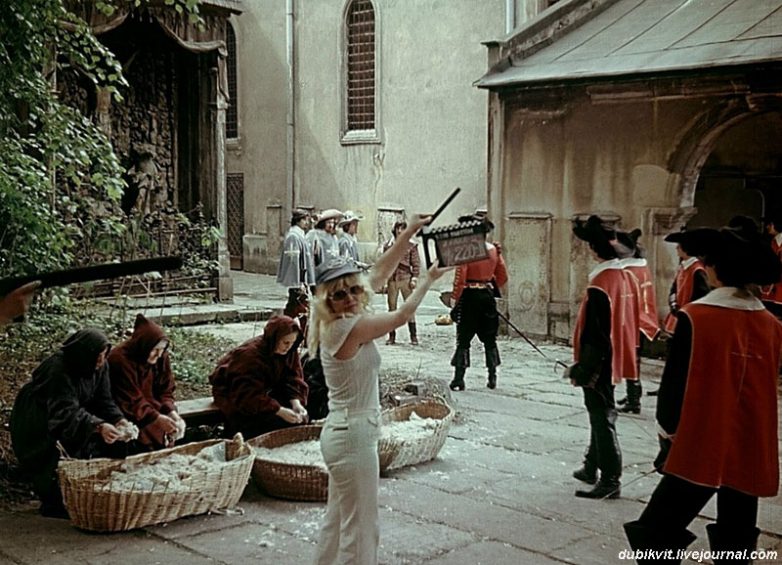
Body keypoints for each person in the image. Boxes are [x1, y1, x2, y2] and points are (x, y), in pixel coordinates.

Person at [623, 226, 782, 564]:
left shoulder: (695, 317)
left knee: (655, 534)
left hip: (700, 441)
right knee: (736, 537)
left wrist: (668, 437)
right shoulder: (772, 324)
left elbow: (674, 387)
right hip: (750, 444)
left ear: (714, 269)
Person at [309, 214, 449, 565]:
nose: (350, 297)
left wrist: (410, 232)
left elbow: (378, 274)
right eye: (339, 294)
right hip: (352, 436)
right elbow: (401, 316)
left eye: (354, 290)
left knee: (338, 523)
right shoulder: (346, 327)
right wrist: (428, 280)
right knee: (361, 530)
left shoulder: (337, 320)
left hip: (345, 432)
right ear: (327, 301)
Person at [10, 328, 132, 517]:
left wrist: (119, 420)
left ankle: (76, 495)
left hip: (72, 413)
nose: (101, 361)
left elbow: (104, 400)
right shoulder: (58, 369)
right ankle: (55, 501)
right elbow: (64, 410)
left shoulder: (100, 365)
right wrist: (98, 426)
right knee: (51, 458)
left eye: (104, 355)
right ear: (85, 354)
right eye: (98, 356)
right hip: (40, 417)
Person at [567, 215, 637, 499]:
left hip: (600, 359)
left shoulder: (600, 283)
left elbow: (595, 334)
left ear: (593, 249)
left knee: (601, 416)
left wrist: (584, 368)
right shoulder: (623, 275)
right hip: (615, 353)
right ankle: (590, 465)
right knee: (600, 412)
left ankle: (610, 479)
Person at [209, 315, 309, 440]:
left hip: (263, 390)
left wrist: (296, 403)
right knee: (254, 422)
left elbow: (293, 378)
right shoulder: (250, 356)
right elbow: (246, 395)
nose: (288, 347)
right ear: (274, 339)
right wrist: (278, 410)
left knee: (297, 418)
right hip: (233, 392)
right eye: (285, 342)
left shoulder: (289, 351)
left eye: (292, 343)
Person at [448, 214, 508, 390]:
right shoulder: (494, 250)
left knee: (463, 338)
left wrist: (454, 298)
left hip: (469, 297)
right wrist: (488, 282)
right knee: (490, 338)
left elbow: (460, 277)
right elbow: (502, 276)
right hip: (487, 297)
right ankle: (492, 376)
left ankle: (459, 379)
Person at [108, 314, 184, 451]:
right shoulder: (120, 359)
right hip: (127, 409)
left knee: (170, 426)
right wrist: (156, 418)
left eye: (162, 350)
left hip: (151, 406)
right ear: (144, 345)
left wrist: (171, 412)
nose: (158, 354)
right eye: (155, 350)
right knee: (145, 431)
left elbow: (165, 390)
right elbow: (129, 398)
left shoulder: (161, 357)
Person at [616, 230, 659, 415]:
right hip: (644, 319)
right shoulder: (642, 268)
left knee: (630, 360)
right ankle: (632, 394)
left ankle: (634, 400)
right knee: (633, 359)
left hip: (632, 321)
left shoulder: (627, 272)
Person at [380, 220, 422, 345]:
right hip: (392, 280)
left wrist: (414, 278)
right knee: (391, 308)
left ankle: (413, 336)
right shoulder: (388, 246)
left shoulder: (411, 246)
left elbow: (416, 263)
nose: (400, 231)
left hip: (406, 279)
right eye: (398, 228)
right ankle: (392, 336)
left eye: (402, 228)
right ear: (395, 230)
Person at [277, 208, 316, 315]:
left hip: (302, 278)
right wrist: (298, 282)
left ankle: (287, 321)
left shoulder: (300, 234)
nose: (306, 222)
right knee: (298, 307)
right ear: (297, 221)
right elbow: (294, 261)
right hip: (298, 279)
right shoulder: (293, 236)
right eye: (304, 220)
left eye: (307, 220)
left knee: (296, 306)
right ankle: (286, 322)